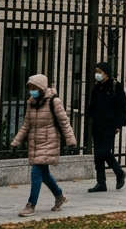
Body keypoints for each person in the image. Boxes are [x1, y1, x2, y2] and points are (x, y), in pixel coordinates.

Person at [11, 74, 77, 216]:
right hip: (35, 142)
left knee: (36, 171)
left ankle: (31, 205)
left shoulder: (54, 101)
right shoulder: (32, 102)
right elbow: (26, 124)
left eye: (35, 88)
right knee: (44, 174)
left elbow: (64, 122)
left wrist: (71, 141)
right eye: (30, 88)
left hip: (49, 141)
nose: (32, 91)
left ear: (42, 88)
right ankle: (59, 196)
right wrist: (16, 141)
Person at [86, 61, 126, 192]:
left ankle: (119, 172)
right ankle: (101, 183)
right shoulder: (97, 88)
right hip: (98, 124)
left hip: (110, 125)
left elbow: (122, 107)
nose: (97, 74)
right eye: (96, 72)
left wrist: (118, 124)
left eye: (99, 72)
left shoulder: (116, 86)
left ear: (106, 73)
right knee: (98, 155)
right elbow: (92, 105)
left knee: (104, 152)